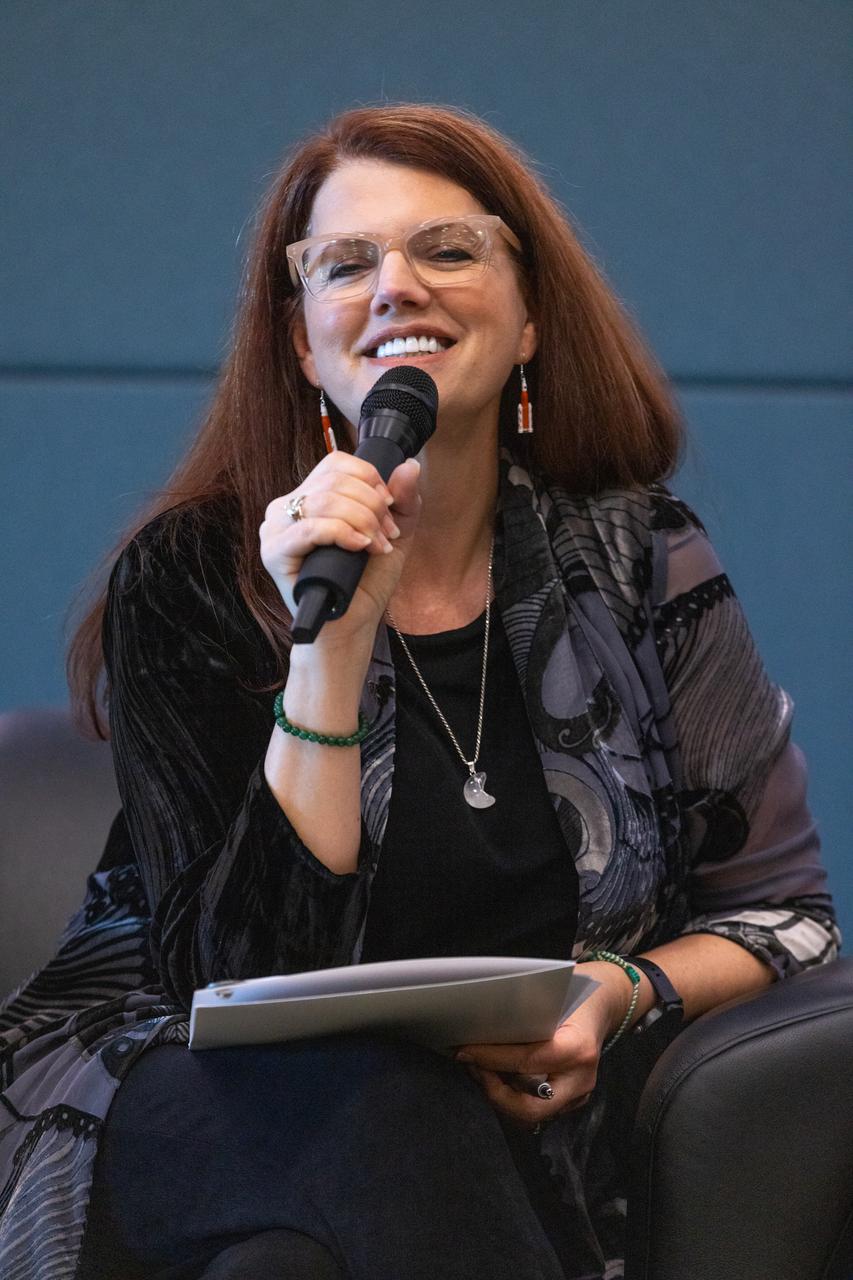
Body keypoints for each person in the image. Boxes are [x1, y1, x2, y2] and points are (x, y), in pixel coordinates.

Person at [0, 104, 840, 1280]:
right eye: (344, 264)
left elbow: (786, 914)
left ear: (531, 313)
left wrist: (614, 990)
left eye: (446, 249)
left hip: (510, 1144)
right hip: (186, 1091)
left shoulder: (643, 559)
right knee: (394, 1101)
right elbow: (233, 976)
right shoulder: (194, 573)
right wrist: (329, 644)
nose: (396, 286)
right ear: (303, 343)